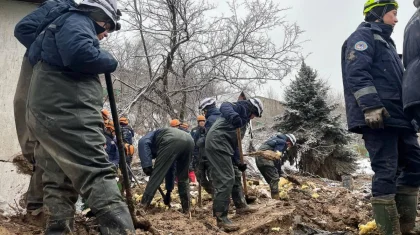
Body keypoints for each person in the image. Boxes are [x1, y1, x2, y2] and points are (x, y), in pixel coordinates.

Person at [25, 0, 135, 233]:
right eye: (108, 27)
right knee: (95, 169)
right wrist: (110, 61)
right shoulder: (78, 20)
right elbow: (80, 54)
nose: (105, 34)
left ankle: (58, 229)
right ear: (100, 16)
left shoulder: (57, 26)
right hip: (67, 109)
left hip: (47, 108)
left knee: (58, 177)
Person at [341, 1, 420, 234]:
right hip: (379, 118)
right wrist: (371, 106)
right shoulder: (363, 37)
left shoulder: (388, 44)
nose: (396, 20)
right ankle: (389, 231)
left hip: (399, 118)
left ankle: (406, 227)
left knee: (414, 165)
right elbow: (356, 72)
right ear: (378, 13)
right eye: (393, 14)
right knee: (386, 169)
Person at [13, 0, 76, 215]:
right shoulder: (60, 6)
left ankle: (39, 207)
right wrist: (49, 54)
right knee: (36, 138)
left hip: (57, 82)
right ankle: (37, 207)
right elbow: (23, 29)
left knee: (49, 142)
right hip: (40, 69)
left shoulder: (80, 19)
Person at [205, 98, 263, 232]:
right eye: (255, 114)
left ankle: (241, 206)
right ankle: (221, 218)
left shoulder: (244, 120)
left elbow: (235, 142)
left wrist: (238, 161)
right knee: (226, 179)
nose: (254, 117)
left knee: (236, 174)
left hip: (226, 145)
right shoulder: (240, 107)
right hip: (217, 142)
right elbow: (224, 106)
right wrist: (234, 116)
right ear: (252, 109)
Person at [138, 128, 194, 214]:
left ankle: (142, 206)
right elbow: (170, 170)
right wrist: (169, 191)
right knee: (183, 178)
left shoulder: (148, 137)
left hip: (171, 139)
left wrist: (147, 166)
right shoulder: (161, 140)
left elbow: (142, 143)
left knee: (156, 176)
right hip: (189, 140)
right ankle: (187, 209)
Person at [255, 133, 296, 199]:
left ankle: (274, 196)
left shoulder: (275, 139)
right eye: (289, 146)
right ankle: (276, 199)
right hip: (265, 159)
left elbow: (275, 157)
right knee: (274, 178)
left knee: (271, 180)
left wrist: (279, 171)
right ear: (289, 142)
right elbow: (276, 156)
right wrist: (279, 172)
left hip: (258, 159)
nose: (288, 147)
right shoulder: (282, 142)